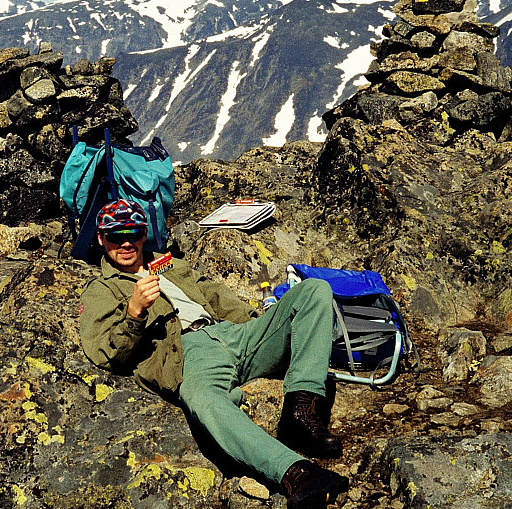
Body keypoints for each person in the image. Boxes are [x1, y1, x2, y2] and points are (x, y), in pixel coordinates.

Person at [79, 199, 350, 509]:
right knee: (204, 401)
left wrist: (261, 326)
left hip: (232, 335)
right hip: (186, 353)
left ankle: (299, 417)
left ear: (144, 234)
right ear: (100, 239)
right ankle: (296, 473)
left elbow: (216, 296)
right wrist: (135, 312)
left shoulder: (170, 264)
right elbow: (107, 354)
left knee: (314, 290)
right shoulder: (101, 289)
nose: (126, 243)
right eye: (115, 235)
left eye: (134, 233)